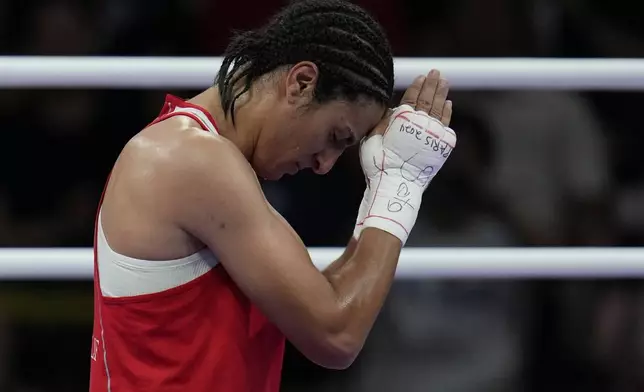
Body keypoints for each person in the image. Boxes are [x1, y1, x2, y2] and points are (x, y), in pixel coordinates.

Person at [89, 1, 456, 391]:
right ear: (301, 83)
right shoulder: (191, 160)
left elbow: (321, 300)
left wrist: (383, 190)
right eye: (335, 137)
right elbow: (337, 336)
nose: (325, 165)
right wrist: (400, 183)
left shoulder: (210, 162)